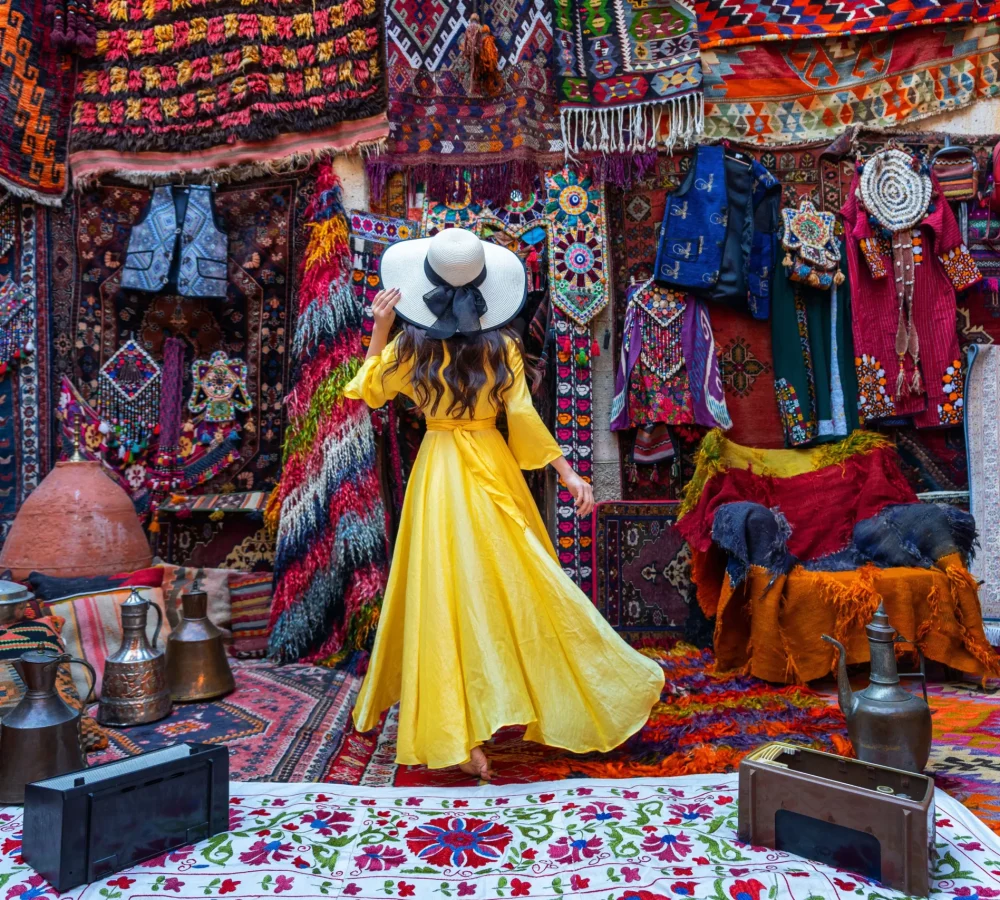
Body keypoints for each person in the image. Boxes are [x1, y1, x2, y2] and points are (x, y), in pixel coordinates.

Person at [344, 227, 665, 781]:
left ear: (424, 285)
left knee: (445, 595)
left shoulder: (408, 346)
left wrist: (380, 328)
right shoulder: (505, 346)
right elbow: (523, 417)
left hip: (439, 473)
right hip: (491, 466)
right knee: (520, 582)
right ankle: (584, 690)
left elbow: (368, 390)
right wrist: (567, 474)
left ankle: (460, 729)